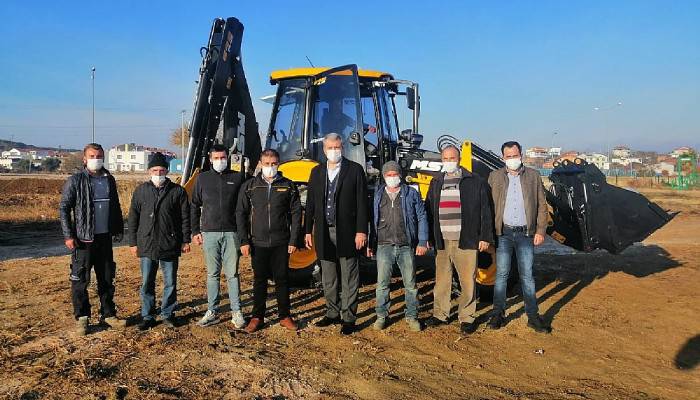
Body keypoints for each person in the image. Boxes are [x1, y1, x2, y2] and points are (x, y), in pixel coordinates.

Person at [424, 145, 494, 334]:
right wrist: (429, 237)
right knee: (442, 280)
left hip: (466, 239)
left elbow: (486, 211)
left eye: (452, 158)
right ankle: (440, 314)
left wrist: (485, 237)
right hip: (442, 241)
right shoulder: (436, 181)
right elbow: (429, 211)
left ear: (459, 158)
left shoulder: (474, 181)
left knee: (467, 281)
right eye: (445, 159)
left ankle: (467, 317)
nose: (449, 162)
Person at [59, 143, 126, 336]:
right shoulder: (76, 180)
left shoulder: (109, 179)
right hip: (83, 239)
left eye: (99, 156)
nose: (96, 159)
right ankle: (82, 317)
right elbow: (64, 208)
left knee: (106, 277)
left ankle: (108, 314)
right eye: (92, 156)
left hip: (104, 238)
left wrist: (117, 228)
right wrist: (68, 235)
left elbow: (115, 206)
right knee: (80, 279)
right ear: (84, 159)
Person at [305, 133, 369, 335]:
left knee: (349, 275)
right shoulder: (317, 172)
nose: (334, 151)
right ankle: (332, 312)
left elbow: (362, 203)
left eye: (337, 147)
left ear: (343, 148)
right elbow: (311, 204)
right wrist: (307, 230)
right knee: (329, 276)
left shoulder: (355, 170)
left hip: (347, 231)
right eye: (330, 148)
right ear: (324, 150)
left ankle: (348, 317)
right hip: (324, 231)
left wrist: (361, 231)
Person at [487, 141, 551, 333]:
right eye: (509, 156)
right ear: (502, 158)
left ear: (521, 155)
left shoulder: (533, 176)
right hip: (504, 234)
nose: (513, 159)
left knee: (527, 276)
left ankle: (533, 316)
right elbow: (488, 207)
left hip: (525, 234)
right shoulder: (495, 177)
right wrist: (488, 234)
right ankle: (498, 313)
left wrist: (540, 231)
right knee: (501, 275)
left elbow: (542, 205)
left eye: (515, 155)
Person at [236, 149, 302, 333]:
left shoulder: (288, 186)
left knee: (282, 279)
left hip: (281, 242)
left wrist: (293, 240)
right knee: (259, 280)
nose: (270, 167)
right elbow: (240, 214)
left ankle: (284, 316)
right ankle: (257, 317)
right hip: (258, 242)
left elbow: (296, 214)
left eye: (273, 164)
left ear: (279, 163)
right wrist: (243, 241)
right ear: (260, 163)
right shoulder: (250, 186)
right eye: (267, 164)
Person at [128, 152, 191, 330]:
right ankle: (147, 315)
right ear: (149, 171)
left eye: (162, 170)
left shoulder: (178, 191)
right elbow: (133, 218)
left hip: (169, 244)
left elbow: (184, 218)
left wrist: (185, 240)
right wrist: (133, 243)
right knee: (147, 282)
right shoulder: (141, 191)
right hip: (146, 244)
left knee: (170, 282)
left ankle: (167, 313)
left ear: (167, 171)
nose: (158, 173)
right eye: (155, 170)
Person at [368, 161, 428, 332]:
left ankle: (412, 315)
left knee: (410, 284)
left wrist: (422, 241)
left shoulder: (411, 193)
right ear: (384, 176)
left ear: (400, 175)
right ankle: (381, 315)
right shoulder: (378, 194)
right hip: (384, 246)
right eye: (389, 175)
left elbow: (422, 216)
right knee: (382, 284)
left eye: (395, 174)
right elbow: (373, 220)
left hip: (405, 245)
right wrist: (372, 243)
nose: (392, 178)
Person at [190, 144, 246, 329]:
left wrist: (243, 234)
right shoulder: (202, 179)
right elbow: (194, 206)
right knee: (212, 274)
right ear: (210, 159)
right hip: (209, 233)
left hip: (232, 233)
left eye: (223, 158)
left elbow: (244, 208)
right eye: (217, 158)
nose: (220, 161)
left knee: (232, 274)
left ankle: (236, 311)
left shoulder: (237, 177)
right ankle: (212, 311)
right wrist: (195, 231)